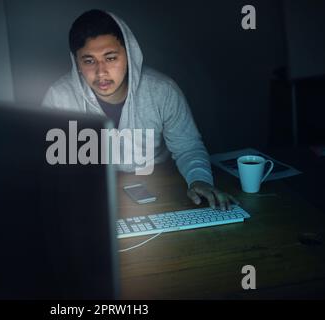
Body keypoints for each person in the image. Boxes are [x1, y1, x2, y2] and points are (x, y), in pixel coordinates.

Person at [42, 9, 238, 210]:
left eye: (110, 58)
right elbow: (50, 165)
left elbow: (187, 147)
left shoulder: (162, 91)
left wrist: (199, 180)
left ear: (129, 55)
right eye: (89, 60)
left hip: (160, 190)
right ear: (77, 63)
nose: (101, 72)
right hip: (91, 196)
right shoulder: (59, 97)